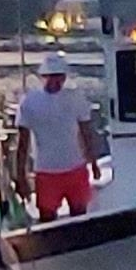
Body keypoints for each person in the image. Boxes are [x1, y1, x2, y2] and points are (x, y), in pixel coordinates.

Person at [15, 54, 100, 222]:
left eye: (59, 77)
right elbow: (22, 144)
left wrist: (93, 162)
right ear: (42, 77)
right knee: (47, 217)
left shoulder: (75, 98)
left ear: (64, 77)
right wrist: (21, 176)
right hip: (46, 171)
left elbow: (86, 132)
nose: (55, 81)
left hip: (75, 167)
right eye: (51, 76)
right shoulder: (30, 102)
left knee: (80, 214)